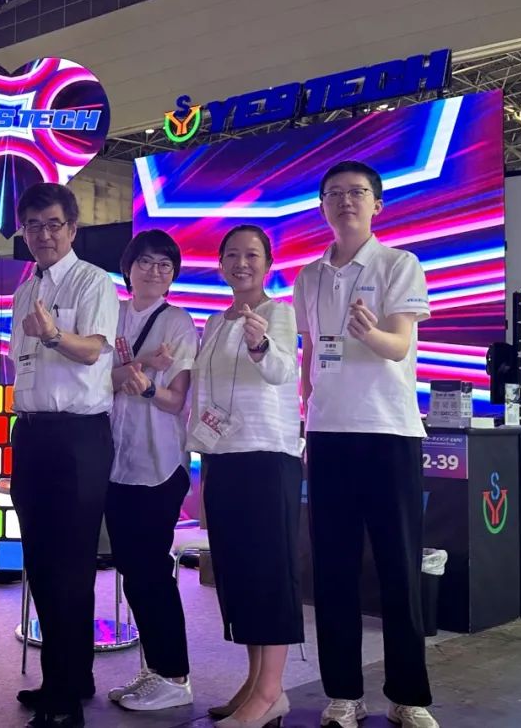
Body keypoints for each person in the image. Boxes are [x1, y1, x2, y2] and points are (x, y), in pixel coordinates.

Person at [294, 161, 438, 728]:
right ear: (322, 206)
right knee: (332, 570)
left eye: (357, 192)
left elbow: (400, 345)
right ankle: (343, 695)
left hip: (388, 433)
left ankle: (408, 697)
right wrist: (306, 417)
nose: (345, 201)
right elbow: (310, 356)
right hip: (328, 435)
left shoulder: (399, 264)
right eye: (334, 193)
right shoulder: (308, 276)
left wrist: (368, 332)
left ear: (376, 204)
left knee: (399, 568)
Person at [9, 182, 119, 728]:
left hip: (78, 437)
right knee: (39, 561)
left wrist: (54, 335)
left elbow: (94, 349)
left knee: (71, 565)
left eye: (54, 224)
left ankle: (63, 697)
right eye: (33, 226)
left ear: (72, 229)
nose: (44, 235)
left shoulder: (94, 281)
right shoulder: (24, 290)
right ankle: (71, 677)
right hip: (32, 434)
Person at [188, 225, 303, 728]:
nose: (241, 264)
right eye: (232, 255)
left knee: (269, 573)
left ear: (268, 264)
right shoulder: (215, 322)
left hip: (266, 456)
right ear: (220, 265)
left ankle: (272, 691)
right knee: (239, 574)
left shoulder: (279, 313)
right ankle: (255, 682)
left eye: (252, 255)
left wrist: (260, 346)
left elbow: (283, 372)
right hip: (223, 456)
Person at [103, 230, 198, 712]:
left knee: (151, 572)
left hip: (158, 466)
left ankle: (174, 675)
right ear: (128, 268)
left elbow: (175, 400)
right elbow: (94, 378)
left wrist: (141, 387)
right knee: (133, 572)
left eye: (165, 264)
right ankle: (156, 669)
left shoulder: (178, 322)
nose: (154, 271)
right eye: (145, 261)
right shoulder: (112, 314)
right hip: (114, 464)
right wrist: (137, 367)